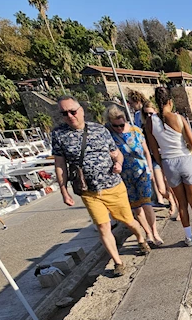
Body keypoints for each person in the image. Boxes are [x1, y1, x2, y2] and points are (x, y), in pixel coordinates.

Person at [52, 96, 149, 278]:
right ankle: (118, 262)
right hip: (89, 191)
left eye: (72, 111)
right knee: (103, 228)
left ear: (81, 110)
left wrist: (118, 164)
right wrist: (64, 191)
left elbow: (116, 154)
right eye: (64, 113)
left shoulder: (99, 130)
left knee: (128, 220)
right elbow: (60, 165)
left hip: (112, 185)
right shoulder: (59, 135)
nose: (69, 116)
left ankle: (141, 238)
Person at [144, 87, 192, 247]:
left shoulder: (149, 122)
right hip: (185, 160)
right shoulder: (178, 118)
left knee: (182, 203)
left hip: (168, 163)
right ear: (170, 102)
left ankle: (188, 238)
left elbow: (154, 150)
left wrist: (164, 165)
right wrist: (184, 146)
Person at [106, 105, 163, 246]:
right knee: (137, 208)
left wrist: (150, 169)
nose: (119, 128)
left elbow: (145, 152)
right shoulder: (109, 135)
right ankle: (148, 234)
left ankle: (155, 232)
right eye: (115, 126)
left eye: (121, 124)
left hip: (141, 171)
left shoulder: (136, 131)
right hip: (125, 176)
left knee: (146, 204)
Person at [142, 102, 178, 219]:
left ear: (156, 111)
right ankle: (172, 200)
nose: (148, 116)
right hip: (155, 159)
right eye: (146, 114)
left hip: (166, 157)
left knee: (171, 185)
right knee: (162, 190)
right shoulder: (145, 128)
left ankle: (178, 207)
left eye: (150, 113)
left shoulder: (162, 125)